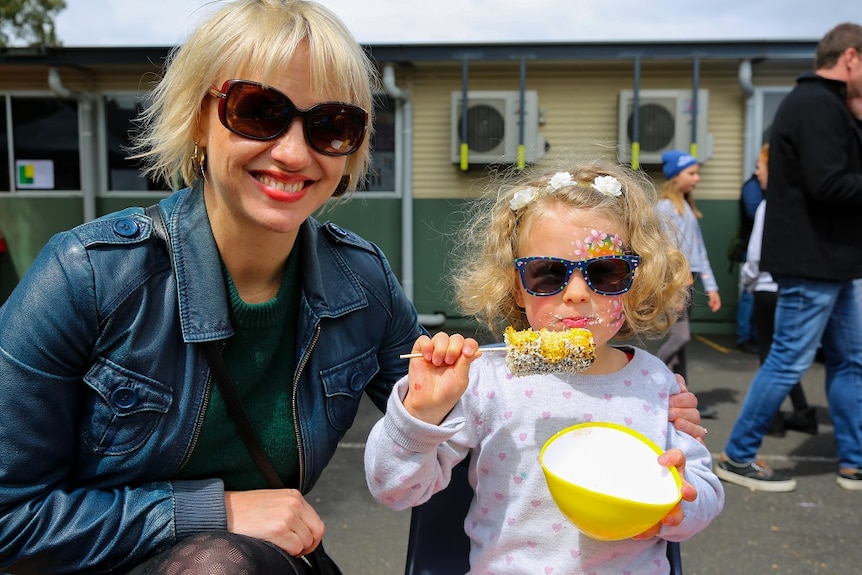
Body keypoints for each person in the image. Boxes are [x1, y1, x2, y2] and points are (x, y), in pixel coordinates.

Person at [0, 1, 706, 573]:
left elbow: (460, 391)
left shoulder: (357, 280)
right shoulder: (86, 275)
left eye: (331, 124)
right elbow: (10, 515)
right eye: (258, 111)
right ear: (196, 119)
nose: (294, 150)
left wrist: (621, 395)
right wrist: (213, 510)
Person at [364, 161, 725, 574]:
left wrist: (678, 503)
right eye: (547, 273)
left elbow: (703, 486)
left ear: (637, 282)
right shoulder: (487, 382)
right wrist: (421, 412)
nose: (575, 293)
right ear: (517, 287)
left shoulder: (656, 381)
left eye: (606, 272)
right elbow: (393, 488)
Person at [717, 22, 862, 493]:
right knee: (788, 360)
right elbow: (828, 184)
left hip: (836, 261)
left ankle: (854, 462)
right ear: (852, 58)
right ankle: (737, 456)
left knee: (849, 361)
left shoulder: (826, 106)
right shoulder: (817, 105)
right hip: (812, 261)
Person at [741, 144, 817, 437]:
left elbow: (757, 256)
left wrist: (748, 282)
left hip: (766, 288)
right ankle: (803, 412)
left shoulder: (769, 204)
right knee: (785, 355)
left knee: (769, 356)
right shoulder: (803, 204)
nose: (757, 173)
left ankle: (769, 420)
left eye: (760, 166)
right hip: (794, 288)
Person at [655, 150, 722, 419]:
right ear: (675, 176)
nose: (697, 178)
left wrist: (712, 285)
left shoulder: (687, 208)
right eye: (691, 173)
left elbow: (698, 249)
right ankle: (645, 377)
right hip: (677, 282)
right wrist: (676, 283)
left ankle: (683, 396)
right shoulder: (664, 208)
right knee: (681, 337)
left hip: (689, 280)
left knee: (681, 346)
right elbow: (665, 250)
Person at [733, 165, 764, 354]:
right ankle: (743, 336)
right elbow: (753, 212)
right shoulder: (753, 187)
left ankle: (753, 335)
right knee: (749, 296)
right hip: (752, 248)